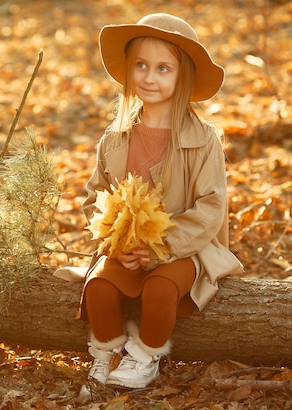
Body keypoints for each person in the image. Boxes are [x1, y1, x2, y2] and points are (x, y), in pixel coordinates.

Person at [77, 13, 243, 390]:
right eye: (141, 65)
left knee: (159, 289)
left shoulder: (203, 139)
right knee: (99, 289)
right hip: (126, 247)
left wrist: (164, 247)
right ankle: (108, 352)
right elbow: (95, 197)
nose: (149, 77)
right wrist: (115, 246)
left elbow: (210, 207)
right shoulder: (115, 137)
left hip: (185, 249)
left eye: (163, 68)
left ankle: (146, 355)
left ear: (182, 75)